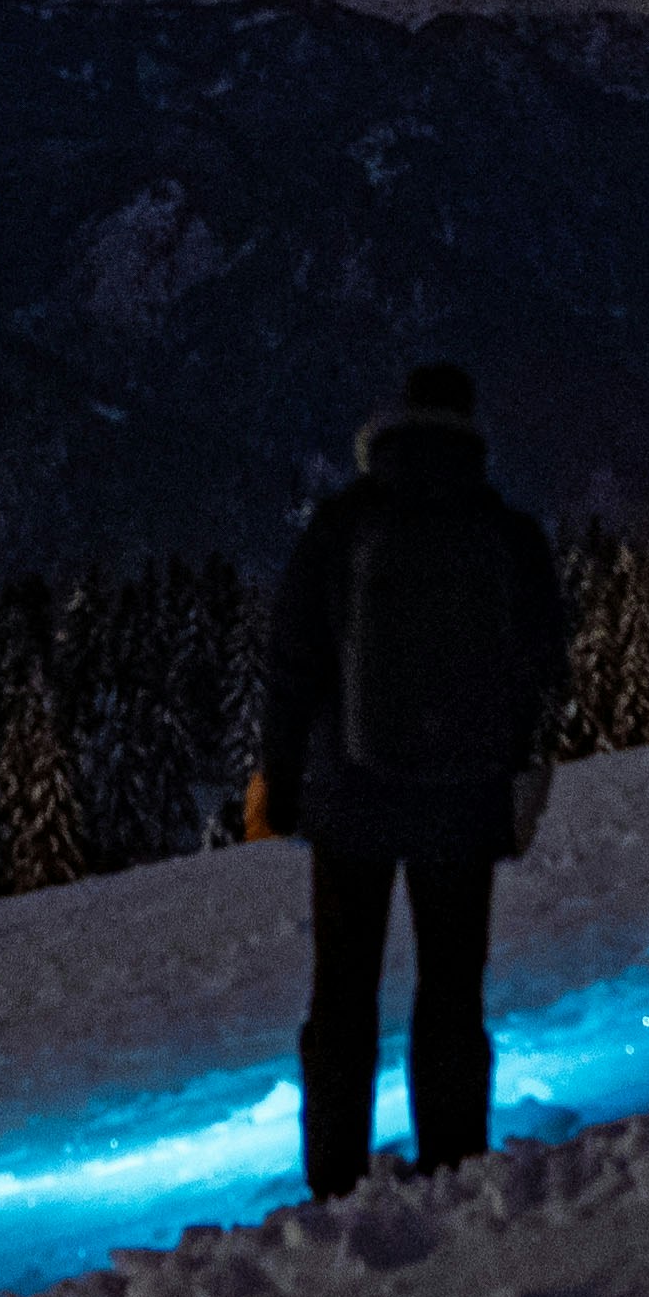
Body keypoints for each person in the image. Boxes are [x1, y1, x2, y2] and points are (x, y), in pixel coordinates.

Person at [250, 358, 570, 1201]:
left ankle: (337, 1182)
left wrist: (278, 780)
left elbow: (293, 662)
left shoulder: (343, 524)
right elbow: (544, 668)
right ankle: (456, 1165)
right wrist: (516, 776)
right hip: (464, 803)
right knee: (452, 991)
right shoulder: (506, 533)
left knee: (344, 996)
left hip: (350, 801)